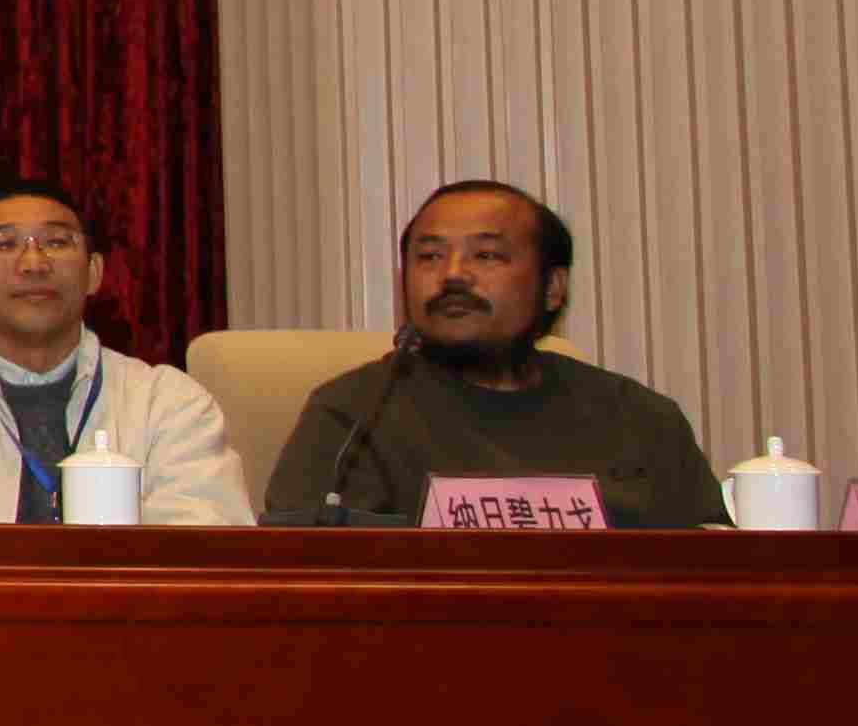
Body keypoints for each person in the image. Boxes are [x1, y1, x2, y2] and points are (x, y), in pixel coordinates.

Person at [265, 178, 727, 528]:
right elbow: (312, 580)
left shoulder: (640, 419)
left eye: (486, 256)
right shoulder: (355, 415)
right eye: (429, 257)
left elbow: (717, 575)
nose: (453, 275)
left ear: (553, 287)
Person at [0, 173, 250, 525]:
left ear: (94, 273)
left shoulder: (168, 404)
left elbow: (204, 548)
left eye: (57, 242)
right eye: (4, 244)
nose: (34, 263)